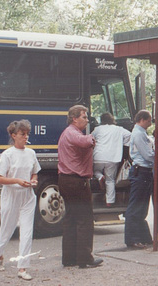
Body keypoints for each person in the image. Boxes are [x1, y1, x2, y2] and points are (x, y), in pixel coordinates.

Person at [0, 119, 41, 281]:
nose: (25, 137)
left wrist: (33, 181)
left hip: (28, 197)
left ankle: (22, 267)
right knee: (6, 230)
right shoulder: (7, 155)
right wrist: (17, 181)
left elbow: (35, 172)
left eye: (27, 134)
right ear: (14, 136)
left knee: (27, 232)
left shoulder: (31, 153)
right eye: (22, 134)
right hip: (11, 196)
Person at [57, 105, 103, 269]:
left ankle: (69, 258)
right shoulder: (73, 133)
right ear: (74, 118)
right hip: (76, 181)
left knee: (71, 219)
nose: (87, 119)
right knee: (84, 219)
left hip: (66, 180)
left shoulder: (67, 133)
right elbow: (85, 142)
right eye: (84, 116)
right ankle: (85, 258)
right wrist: (93, 138)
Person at [124, 109, 158, 248]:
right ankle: (133, 239)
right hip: (141, 171)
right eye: (149, 120)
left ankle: (143, 237)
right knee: (137, 206)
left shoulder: (140, 133)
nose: (150, 123)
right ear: (142, 119)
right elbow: (148, 155)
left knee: (142, 207)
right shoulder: (139, 134)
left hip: (143, 171)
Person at [92, 112, 131, 207]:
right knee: (110, 180)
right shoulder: (119, 129)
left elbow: (91, 138)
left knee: (95, 170)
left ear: (102, 120)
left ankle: (100, 177)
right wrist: (123, 143)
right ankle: (110, 201)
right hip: (113, 158)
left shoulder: (97, 129)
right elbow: (130, 135)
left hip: (99, 156)